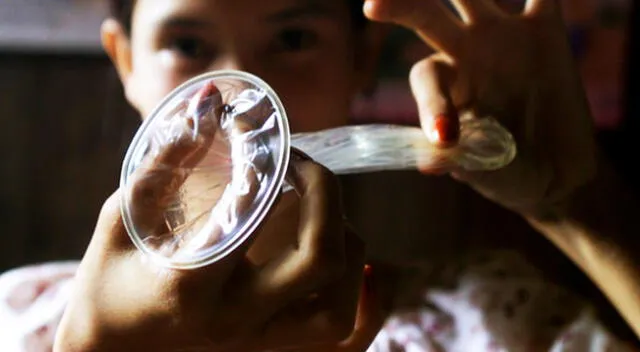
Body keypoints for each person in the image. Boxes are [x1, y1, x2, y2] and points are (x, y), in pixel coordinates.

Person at [1, 0, 638, 351]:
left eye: (295, 37)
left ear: (361, 61)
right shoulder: (16, 319)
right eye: (188, 45)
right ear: (126, 62)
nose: (241, 93)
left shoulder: (496, 325)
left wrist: (579, 205)